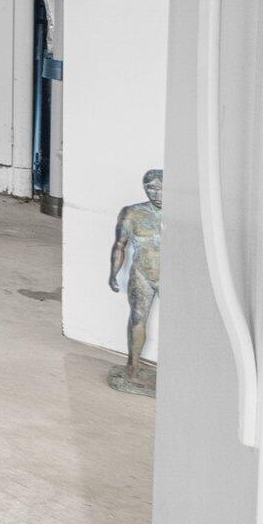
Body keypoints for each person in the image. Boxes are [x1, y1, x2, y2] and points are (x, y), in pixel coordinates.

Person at [109, 168, 164, 395]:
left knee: (179, 325)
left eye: (161, 188)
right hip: (142, 272)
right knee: (137, 319)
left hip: (170, 273)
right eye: (150, 187)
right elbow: (119, 245)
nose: (155, 193)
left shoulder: (182, 212)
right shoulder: (132, 213)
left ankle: (180, 372)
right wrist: (113, 273)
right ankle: (133, 367)